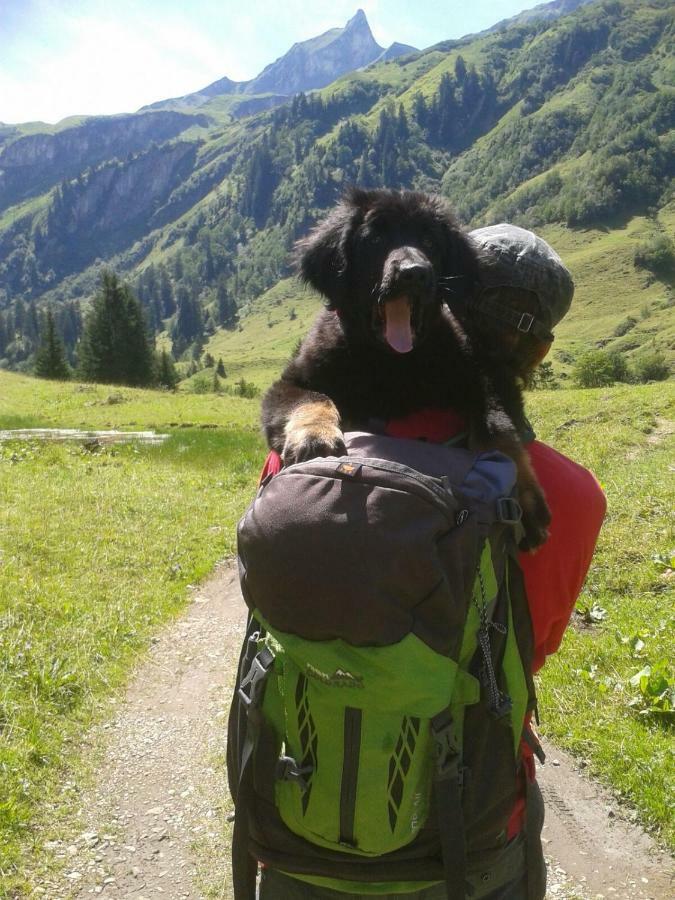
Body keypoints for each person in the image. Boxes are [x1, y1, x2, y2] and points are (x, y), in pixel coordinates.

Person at [256, 224, 606, 899]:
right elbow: (534, 648)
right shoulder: (565, 495)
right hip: (463, 833)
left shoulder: (307, 452)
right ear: (538, 353)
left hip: (300, 808)